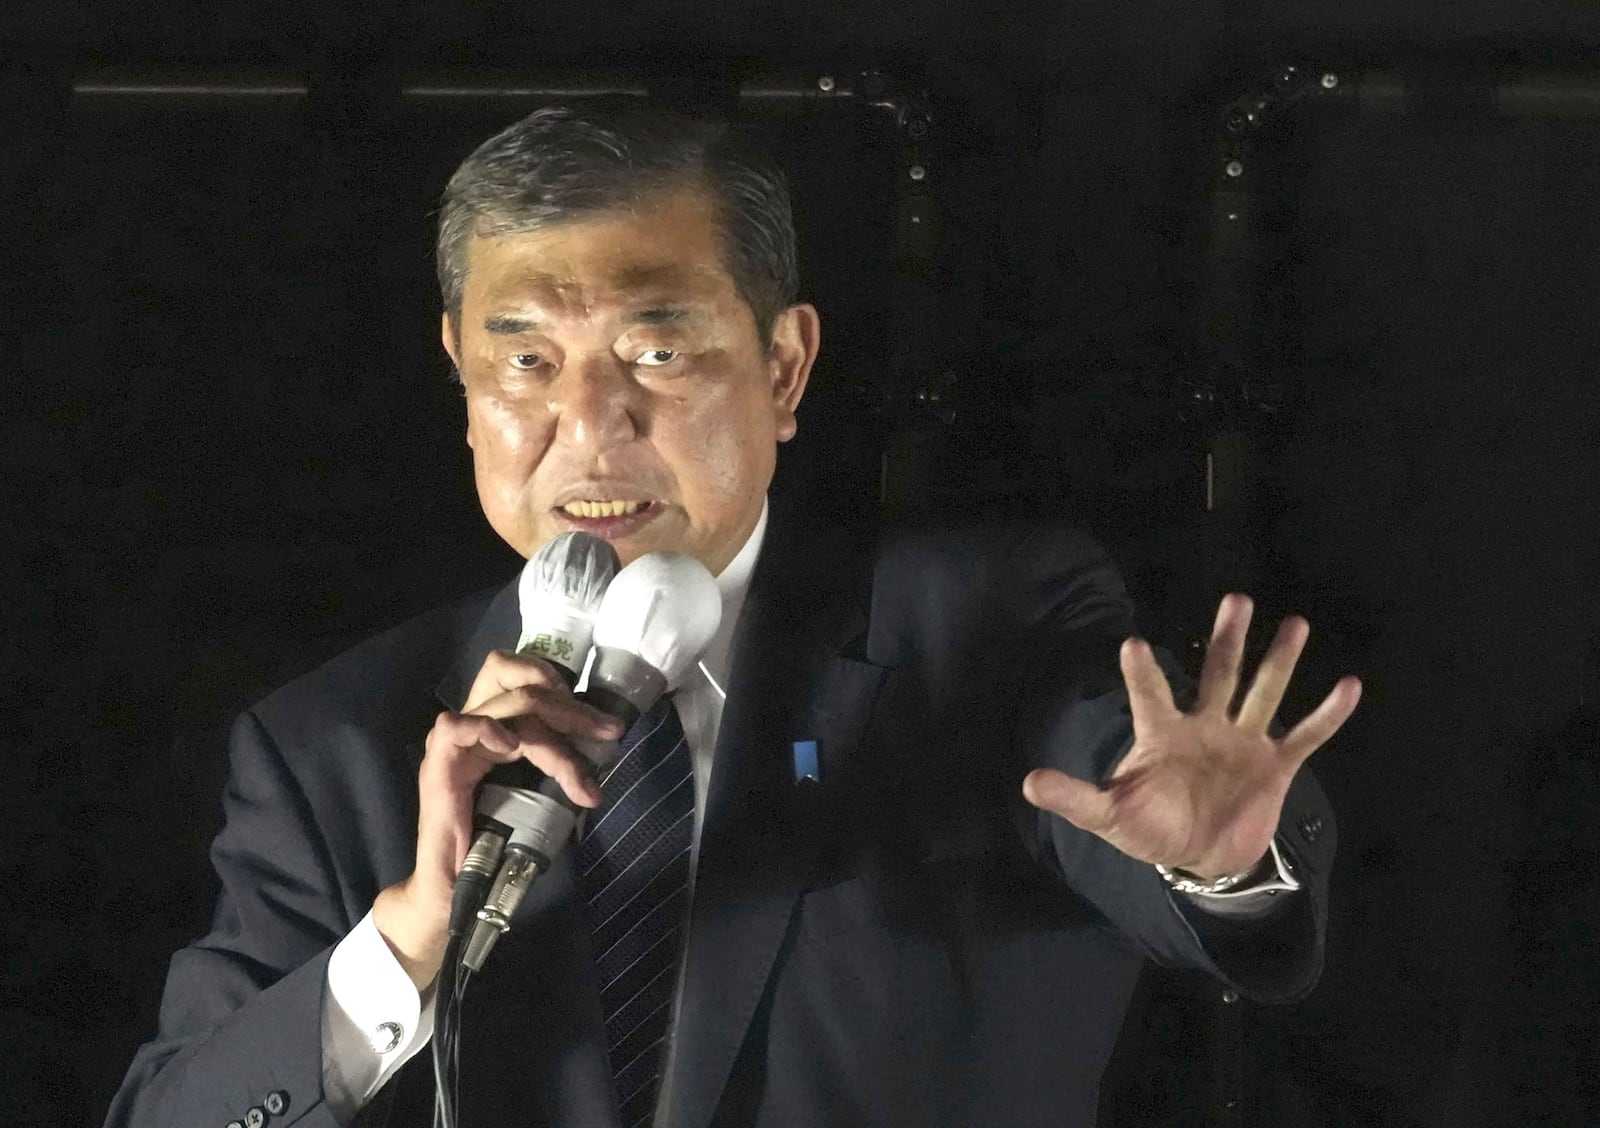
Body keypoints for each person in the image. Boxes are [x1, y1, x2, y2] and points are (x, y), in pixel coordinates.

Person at [106, 99, 1360, 1128]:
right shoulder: (333, 746)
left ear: (783, 368)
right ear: (462, 379)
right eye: (527, 362)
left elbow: (1127, 802)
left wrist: (1217, 861)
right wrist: (408, 935)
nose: (591, 427)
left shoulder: (984, 630)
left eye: (658, 352)